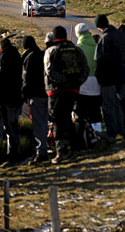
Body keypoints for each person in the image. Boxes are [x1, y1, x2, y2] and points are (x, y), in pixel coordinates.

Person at [43, 25, 89, 163]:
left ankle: (61, 151)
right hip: (73, 90)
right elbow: (85, 69)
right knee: (68, 119)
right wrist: (76, 83)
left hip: (56, 90)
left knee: (57, 120)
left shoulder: (51, 51)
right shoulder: (77, 50)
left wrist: (62, 81)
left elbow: (49, 71)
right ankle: (76, 148)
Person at [94, 14, 125, 141]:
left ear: (98, 26)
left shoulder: (105, 38)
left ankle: (112, 133)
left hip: (110, 77)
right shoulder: (121, 35)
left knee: (109, 106)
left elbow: (100, 60)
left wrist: (100, 77)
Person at [20, 36, 49, 163]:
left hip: (35, 95)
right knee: (45, 122)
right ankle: (46, 146)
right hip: (46, 92)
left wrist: (24, 94)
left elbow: (26, 79)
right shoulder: (42, 54)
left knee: (38, 124)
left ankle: (41, 152)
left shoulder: (30, 58)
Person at [0, 37, 23, 163]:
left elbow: (2, 79)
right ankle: (15, 151)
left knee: (10, 128)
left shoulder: (4, 57)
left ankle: (13, 154)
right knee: (14, 125)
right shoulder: (17, 56)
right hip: (17, 94)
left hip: (8, 96)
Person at [74, 22, 102, 132]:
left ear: (78, 34)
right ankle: (99, 134)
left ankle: (85, 136)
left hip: (83, 83)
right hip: (97, 82)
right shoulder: (97, 46)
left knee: (82, 111)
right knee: (96, 111)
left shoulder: (78, 48)